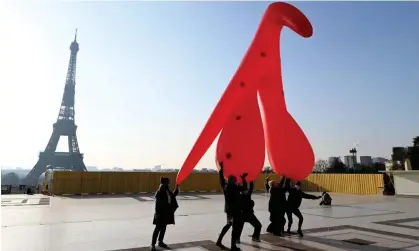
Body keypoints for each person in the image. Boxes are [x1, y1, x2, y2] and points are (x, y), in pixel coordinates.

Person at [216, 161, 245, 251]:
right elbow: (245, 188)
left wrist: (221, 169)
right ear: (234, 181)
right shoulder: (234, 187)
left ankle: (219, 240)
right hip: (235, 210)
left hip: (229, 210)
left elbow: (221, 179)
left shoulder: (226, 186)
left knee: (229, 224)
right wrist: (243, 178)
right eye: (235, 180)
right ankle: (233, 246)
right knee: (234, 228)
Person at [151, 177, 179, 251]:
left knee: (163, 228)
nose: (169, 184)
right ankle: (153, 244)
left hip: (166, 213)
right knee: (157, 229)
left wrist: (176, 189)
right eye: (168, 182)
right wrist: (157, 213)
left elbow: (172, 196)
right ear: (165, 183)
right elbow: (157, 204)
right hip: (160, 213)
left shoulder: (167, 190)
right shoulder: (160, 191)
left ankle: (160, 242)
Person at [236, 178, 262, 242]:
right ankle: (237, 239)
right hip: (241, 215)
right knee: (239, 228)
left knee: (258, 225)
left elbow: (251, 188)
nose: (247, 191)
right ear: (241, 191)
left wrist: (251, 180)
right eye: (245, 190)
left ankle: (255, 237)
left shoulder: (248, 195)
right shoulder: (238, 196)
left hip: (250, 214)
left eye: (247, 190)